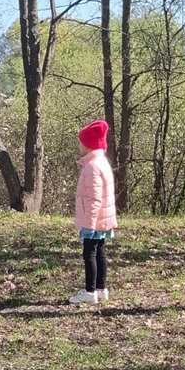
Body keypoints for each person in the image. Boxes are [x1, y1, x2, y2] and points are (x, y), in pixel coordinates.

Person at [70, 119, 117, 304]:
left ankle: (90, 292)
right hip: (102, 220)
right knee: (100, 253)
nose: (79, 146)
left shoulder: (91, 167)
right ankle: (101, 288)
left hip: (94, 221)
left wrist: (88, 225)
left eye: (81, 142)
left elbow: (95, 199)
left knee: (89, 254)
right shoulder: (102, 162)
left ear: (89, 145)